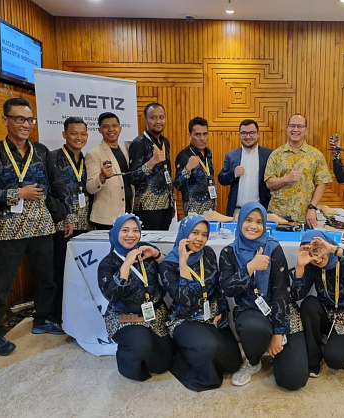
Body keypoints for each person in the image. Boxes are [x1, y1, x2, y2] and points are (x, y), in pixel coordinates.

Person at [0, 97, 72, 355]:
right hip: (8, 229)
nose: (26, 124)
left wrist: (66, 214)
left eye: (30, 120)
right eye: (19, 119)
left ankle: (43, 319)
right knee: (0, 284)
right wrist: (16, 194)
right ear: (5, 120)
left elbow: (57, 184)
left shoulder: (41, 151)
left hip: (42, 226)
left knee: (45, 279)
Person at [220, 202, 309, 390]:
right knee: (254, 329)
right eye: (248, 220)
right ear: (240, 221)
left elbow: (281, 291)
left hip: (280, 310)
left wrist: (278, 332)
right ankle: (253, 361)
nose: (253, 226)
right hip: (251, 310)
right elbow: (228, 289)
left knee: (293, 380)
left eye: (259, 222)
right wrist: (250, 268)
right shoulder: (229, 252)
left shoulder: (273, 248)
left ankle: (275, 348)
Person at [159, 215, 242, 391]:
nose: (199, 239)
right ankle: (184, 353)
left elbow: (218, 287)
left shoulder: (208, 253)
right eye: (194, 233)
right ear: (184, 233)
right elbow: (186, 300)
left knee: (233, 363)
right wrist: (183, 263)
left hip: (211, 316)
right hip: (185, 319)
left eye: (204, 235)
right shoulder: (168, 265)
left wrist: (222, 311)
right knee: (209, 347)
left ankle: (197, 347)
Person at [98, 213, 173, 381]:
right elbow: (112, 295)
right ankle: (127, 362)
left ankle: (147, 347)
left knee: (163, 364)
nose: (131, 235)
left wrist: (157, 255)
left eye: (135, 230)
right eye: (125, 230)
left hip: (155, 314)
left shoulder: (145, 250)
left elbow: (171, 272)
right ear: (116, 233)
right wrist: (126, 264)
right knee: (141, 344)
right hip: (125, 317)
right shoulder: (108, 263)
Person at [291, 231, 344, 377]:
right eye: (311, 253)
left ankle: (334, 344)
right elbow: (297, 295)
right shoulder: (312, 266)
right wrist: (300, 266)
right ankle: (313, 359)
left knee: (335, 360)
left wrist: (333, 249)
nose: (316, 258)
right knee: (309, 304)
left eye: (318, 250)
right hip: (327, 314)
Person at [51, 116, 90, 324]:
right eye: (74, 133)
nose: (79, 137)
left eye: (83, 133)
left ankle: (74, 311)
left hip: (83, 224)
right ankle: (58, 315)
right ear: (64, 134)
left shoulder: (86, 159)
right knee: (60, 270)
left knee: (77, 271)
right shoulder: (53, 158)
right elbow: (50, 192)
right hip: (61, 225)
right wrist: (66, 216)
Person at [264, 113, 332, 228]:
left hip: (304, 217)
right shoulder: (276, 154)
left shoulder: (316, 155)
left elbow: (322, 183)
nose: (295, 130)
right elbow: (269, 183)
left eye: (300, 126)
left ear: (306, 130)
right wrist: (287, 179)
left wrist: (312, 208)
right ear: (287, 129)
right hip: (277, 217)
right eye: (292, 126)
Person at [128, 102, 175, 230]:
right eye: (153, 117)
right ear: (145, 119)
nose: (158, 121)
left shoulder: (165, 142)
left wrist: (171, 202)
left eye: (161, 117)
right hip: (147, 208)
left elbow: (167, 173)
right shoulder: (139, 143)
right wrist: (152, 162)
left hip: (166, 207)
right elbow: (132, 178)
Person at [86, 112, 133, 230]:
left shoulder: (125, 150)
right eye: (106, 126)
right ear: (99, 130)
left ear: (120, 128)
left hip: (127, 213)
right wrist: (102, 176)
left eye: (114, 126)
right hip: (106, 218)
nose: (111, 129)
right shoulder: (93, 153)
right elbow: (90, 188)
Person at [218, 119, 272, 217]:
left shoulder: (268, 155)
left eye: (251, 133)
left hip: (260, 211)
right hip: (237, 211)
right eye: (244, 133)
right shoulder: (231, 155)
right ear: (239, 134)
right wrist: (234, 173)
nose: (248, 136)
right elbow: (221, 179)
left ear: (258, 134)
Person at [173, 117, 217, 216]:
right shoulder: (184, 155)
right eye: (198, 134)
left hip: (210, 208)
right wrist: (187, 168)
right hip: (193, 211)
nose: (202, 138)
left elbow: (210, 177)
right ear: (190, 136)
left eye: (205, 134)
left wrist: (214, 198)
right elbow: (178, 185)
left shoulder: (208, 153)